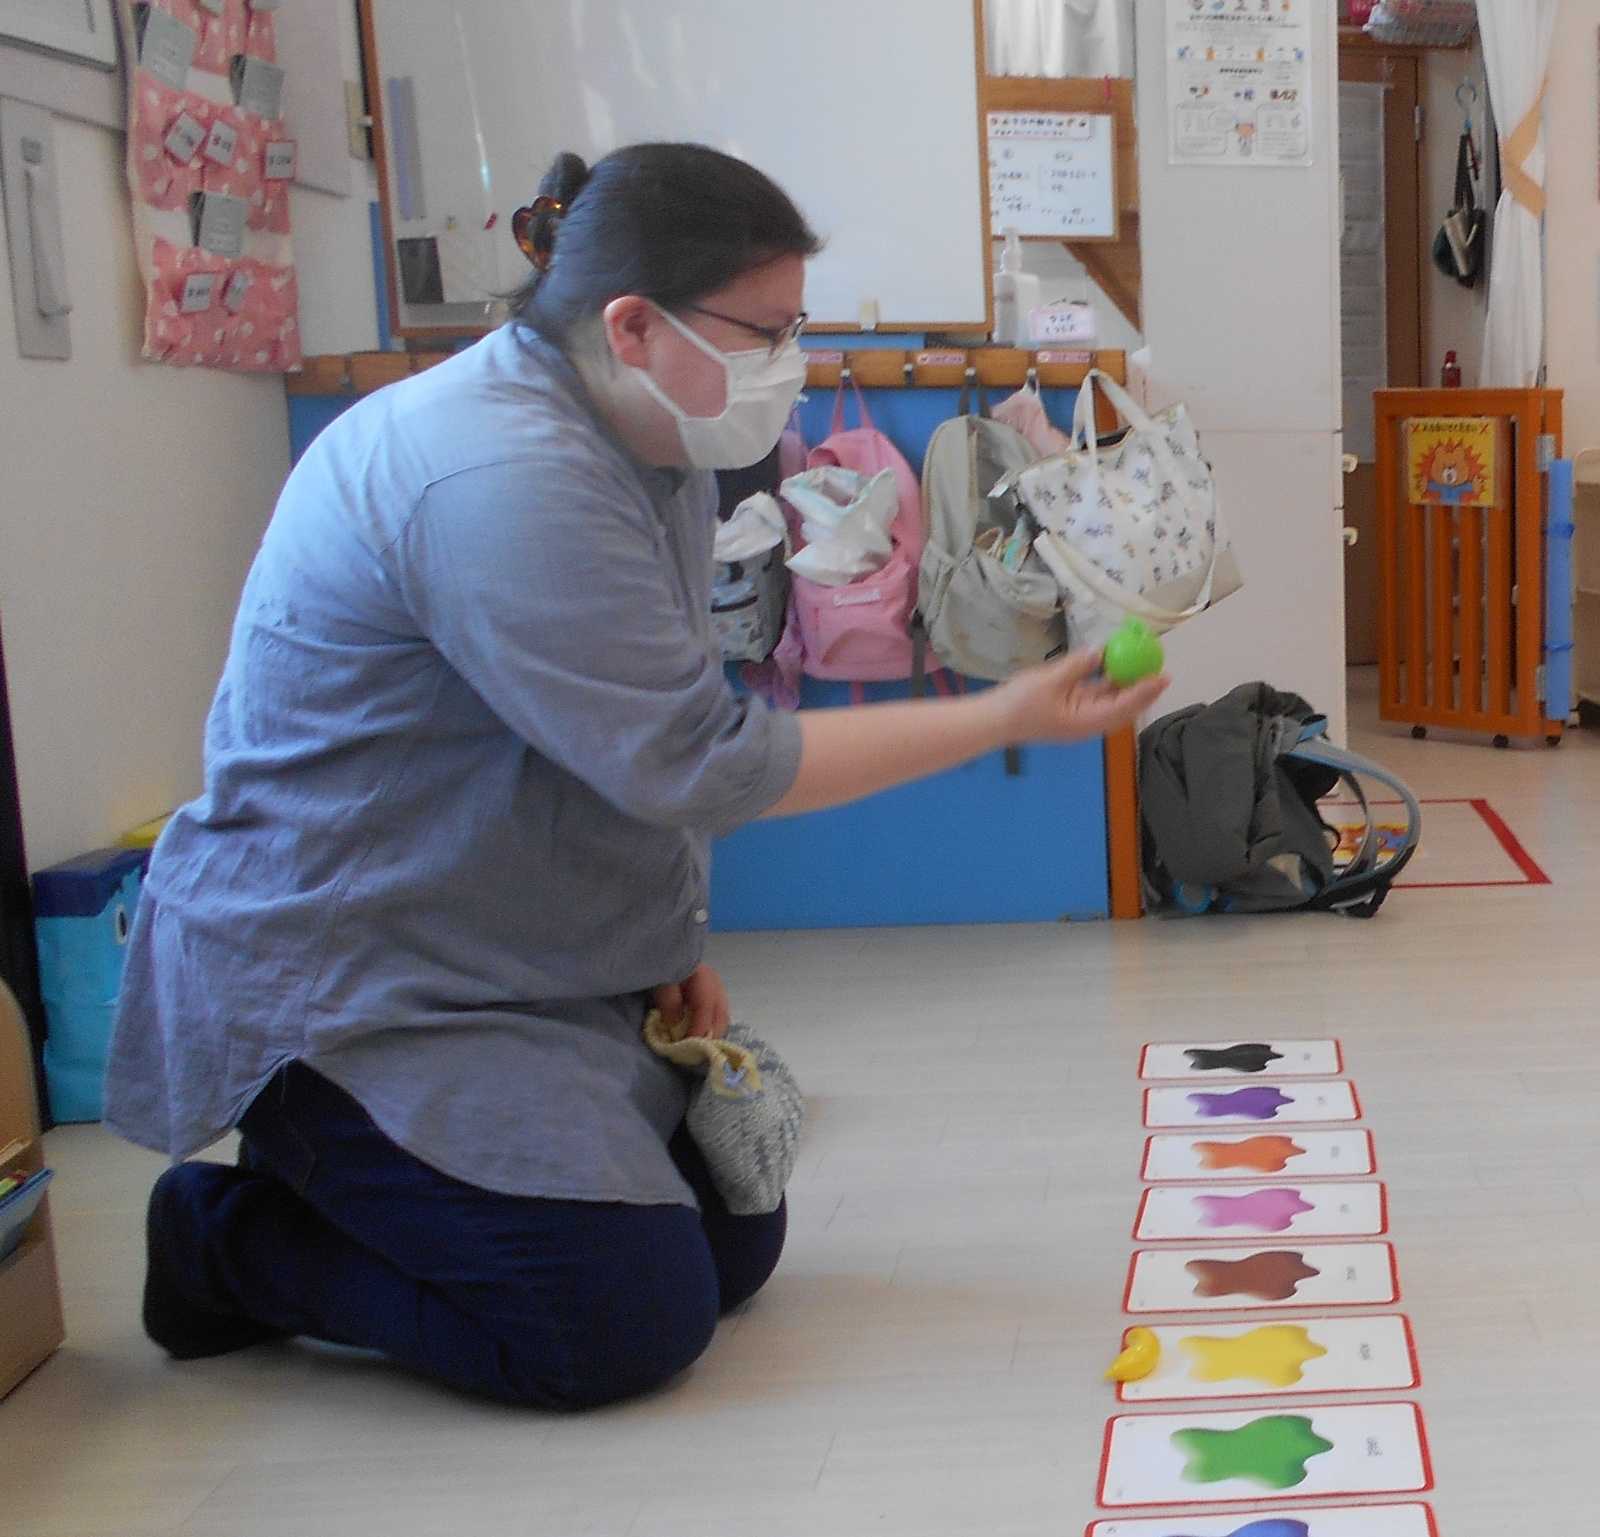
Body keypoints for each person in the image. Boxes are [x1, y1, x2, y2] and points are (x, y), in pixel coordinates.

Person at [104, 142, 1167, 1411]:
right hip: (355, 976)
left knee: (733, 1240)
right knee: (613, 1324)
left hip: (497, 949)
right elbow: (699, 759)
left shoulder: (641, 441)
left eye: (796, 327)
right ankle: (226, 1240)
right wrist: (1004, 713)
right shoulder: (496, 473)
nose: (793, 361)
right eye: (767, 330)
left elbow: (624, 723)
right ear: (632, 324)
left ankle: (390, 1188)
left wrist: (660, 943)